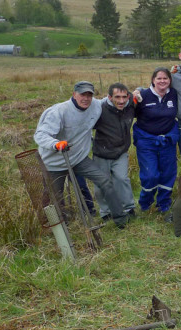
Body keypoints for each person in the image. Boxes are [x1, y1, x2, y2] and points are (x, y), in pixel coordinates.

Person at [34, 81, 130, 228]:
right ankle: (57, 228)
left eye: (89, 95)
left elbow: (112, 99)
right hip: (54, 163)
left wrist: (137, 94)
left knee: (105, 182)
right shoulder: (59, 112)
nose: (86, 98)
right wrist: (55, 144)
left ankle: (120, 219)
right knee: (55, 198)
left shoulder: (95, 106)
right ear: (74, 94)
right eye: (82, 95)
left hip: (78, 159)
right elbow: (40, 135)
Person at [133, 68, 179, 220]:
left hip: (168, 140)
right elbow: (128, 110)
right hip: (146, 141)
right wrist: (136, 93)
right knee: (151, 174)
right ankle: (145, 203)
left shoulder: (173, 94)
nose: (162, 81)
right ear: (153, 80)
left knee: (168, 173)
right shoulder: (143, 96)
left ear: (170, 80)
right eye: (159, 78)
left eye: (166, 78)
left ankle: (164, 203)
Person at [93, 83, 137, 221]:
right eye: (117, 97)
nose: (121, 101)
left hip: (121, 152)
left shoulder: (130, 105)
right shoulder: (99, 109)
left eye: (124, 97)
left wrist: (139, 91)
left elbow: (143, 91)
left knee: (122, 179)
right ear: (109, 97)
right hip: (102, 153)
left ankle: (128, 208)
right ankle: (105, 211)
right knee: (102, 184)